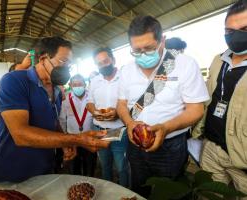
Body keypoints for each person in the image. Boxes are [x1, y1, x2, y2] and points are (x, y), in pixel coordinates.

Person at [0, 36, 109, 183]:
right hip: (15, 173)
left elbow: (52, 122)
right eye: (63, 61)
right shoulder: (14, 81)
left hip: (46, 170)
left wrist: (65, 142)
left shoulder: (57, 91)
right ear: (43, 58)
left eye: (69, 65)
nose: (67, 69)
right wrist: (77, 139)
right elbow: (20, 134)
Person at [116, 16, 209, 197]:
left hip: (171, 146)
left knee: (169, 191)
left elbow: (196, 109)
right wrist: (129, 123)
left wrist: (166, 128)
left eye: (149, 48)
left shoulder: (184, 64)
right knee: (139, 187)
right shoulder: (126, 70)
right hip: (135, 143)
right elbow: (120, 104)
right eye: (136, 51)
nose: (142, 54)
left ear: (162, 41)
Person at [192, 0, 247, 197]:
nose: (236, 36)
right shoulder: (218, 59)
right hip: (210, 148)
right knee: (208, 194)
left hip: (242, 159)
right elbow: (209, 98)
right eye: (229, 31)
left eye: (244, 28)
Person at [87, 47, 129, 187]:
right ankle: (108, 191)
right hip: (100, 130)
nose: (103, 65)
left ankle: (124, 193)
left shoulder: (124, 78)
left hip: (119, 131)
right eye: (99, 63)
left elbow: (133, 103)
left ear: (113, 60)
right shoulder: (95, 81)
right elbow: (90, 103)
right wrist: (96, 113)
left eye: (106, 61)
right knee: (105, 165)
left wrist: (118, 112)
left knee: (122, 167)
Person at [59, 74, 97, 177]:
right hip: (72, 138)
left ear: (85, 84)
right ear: (70, 85)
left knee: (89, 166)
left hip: (89, 138)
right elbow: (62, 119)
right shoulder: (66, 99)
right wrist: (64, 136)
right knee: (74, 167)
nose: (77, 86)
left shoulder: (92, 97)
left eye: (80, 84)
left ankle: (89, 184)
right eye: (75, 84)